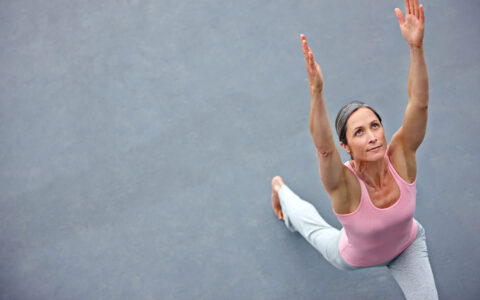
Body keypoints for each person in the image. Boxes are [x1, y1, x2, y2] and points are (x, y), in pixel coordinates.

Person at [271, 0, 438, 299]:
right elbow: (324, 150)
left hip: (407, 248)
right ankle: (280, 189)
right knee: (313, 230)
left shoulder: (401, 156)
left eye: (375, 126)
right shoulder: (345, 185)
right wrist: (317, 92)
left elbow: (419, 104)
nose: (372, 136)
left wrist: (416, 47)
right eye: (359, 132)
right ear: (345, 147)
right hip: (352, 258)